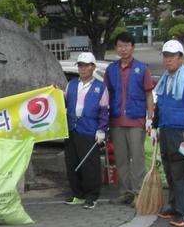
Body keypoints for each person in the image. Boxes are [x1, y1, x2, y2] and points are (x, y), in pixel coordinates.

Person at [150, 39, 184, 227]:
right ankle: (173, 205)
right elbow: (160, 105)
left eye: (172, 56)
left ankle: (183, 211)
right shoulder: (165, 78)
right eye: (166, 56)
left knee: (179, 171)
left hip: (182, 131)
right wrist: (155, 125)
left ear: (181, 58)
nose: (168, 60)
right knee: (168, 170)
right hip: (166, 129)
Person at [104, 32, 156, 206]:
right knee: (121, 159)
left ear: (133, 47)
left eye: (127, 45)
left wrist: (150, 118)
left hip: (136, 121)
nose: (123, 49)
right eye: (120, 46)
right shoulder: (111, 70)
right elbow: (105, 96)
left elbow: (149, 95)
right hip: (116, 121)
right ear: (115, 48)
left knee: (138, 158)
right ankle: (125, 192)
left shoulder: (142, 68)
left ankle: (138, 192)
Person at [62, 51, 109, 209]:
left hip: (89, 129)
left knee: (89, 164)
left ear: (92, 67)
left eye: (86, 66)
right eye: (80, 66)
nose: (82, 69)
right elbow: (65, 101)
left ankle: (91, 195)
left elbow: (104, 111)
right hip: (72, 128)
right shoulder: (72, 84)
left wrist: (101, 130)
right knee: (72, 162)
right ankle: (77, 194)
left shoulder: (100, 87)